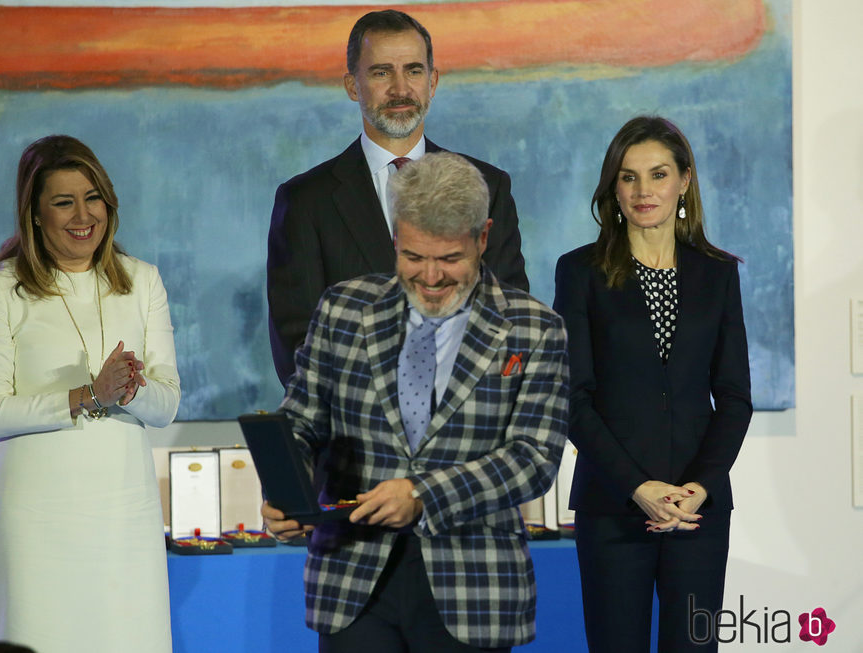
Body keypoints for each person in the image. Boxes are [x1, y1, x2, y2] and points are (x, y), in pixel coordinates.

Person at [263, 152, 568, 652]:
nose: (430, 276)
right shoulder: (342, 308)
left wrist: (424, 493)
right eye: (413, 257)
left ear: (483, 238)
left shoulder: (534, 330)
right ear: (395, 239)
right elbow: (301, 419)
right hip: (352, 583)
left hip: (475, 591)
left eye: (450, 258)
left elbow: (532, 459)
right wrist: (286, 491)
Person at [0, 135, 180, 653]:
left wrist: (126, 392)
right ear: (35, 214)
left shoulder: (142, 281)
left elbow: (167, 403)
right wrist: (87, 394)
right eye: (63, 202)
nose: (83, 215)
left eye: (93, 197)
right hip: (37, 518)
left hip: (125, 513)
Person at [553, 116, 753, 652]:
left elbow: (734, 398)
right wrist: (637, 487)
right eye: (628, 177)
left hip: (698, 510)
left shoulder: (718, 273)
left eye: (658, 174)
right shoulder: (580, 272)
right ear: (612, 187)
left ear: (684, 180)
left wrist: (700, 488)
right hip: (614, 507)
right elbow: (571, 397)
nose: (644, 191)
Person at [267, 9, 529, 386]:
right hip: (357, 435)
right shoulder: (306, 201)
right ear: (353, 86)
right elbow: (299, 346)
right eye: (381, 72)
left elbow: (512, 323)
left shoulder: (489, 187)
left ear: (433, 81)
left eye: (414, 70)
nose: (400, 88)